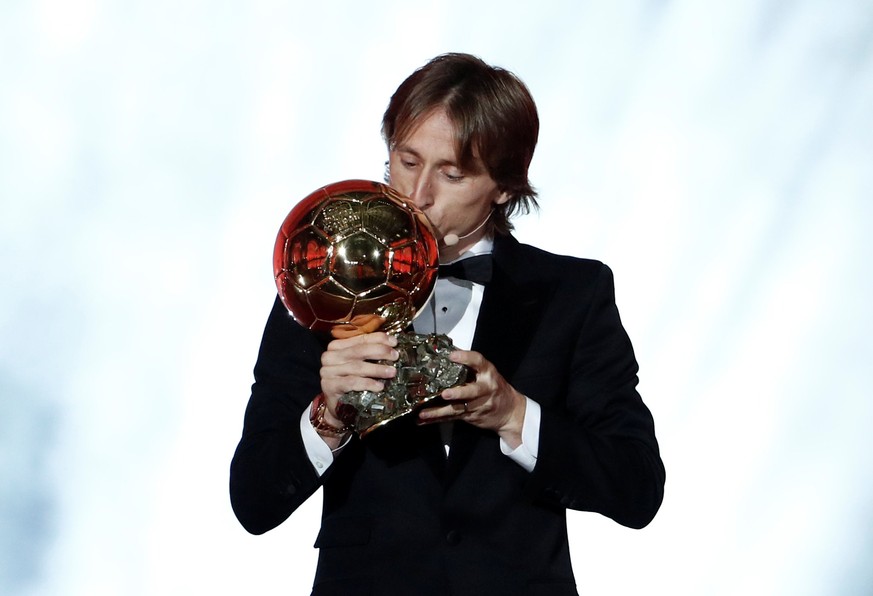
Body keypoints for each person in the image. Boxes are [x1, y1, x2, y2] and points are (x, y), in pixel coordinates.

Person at [230, 52, 665, 596]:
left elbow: (637, 488)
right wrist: (328, 416)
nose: (416, 196)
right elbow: (253, 502)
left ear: (505, 186)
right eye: (406, 161)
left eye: (452, 174)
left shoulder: (573, 295)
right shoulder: (320, 287)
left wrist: (514, 415)